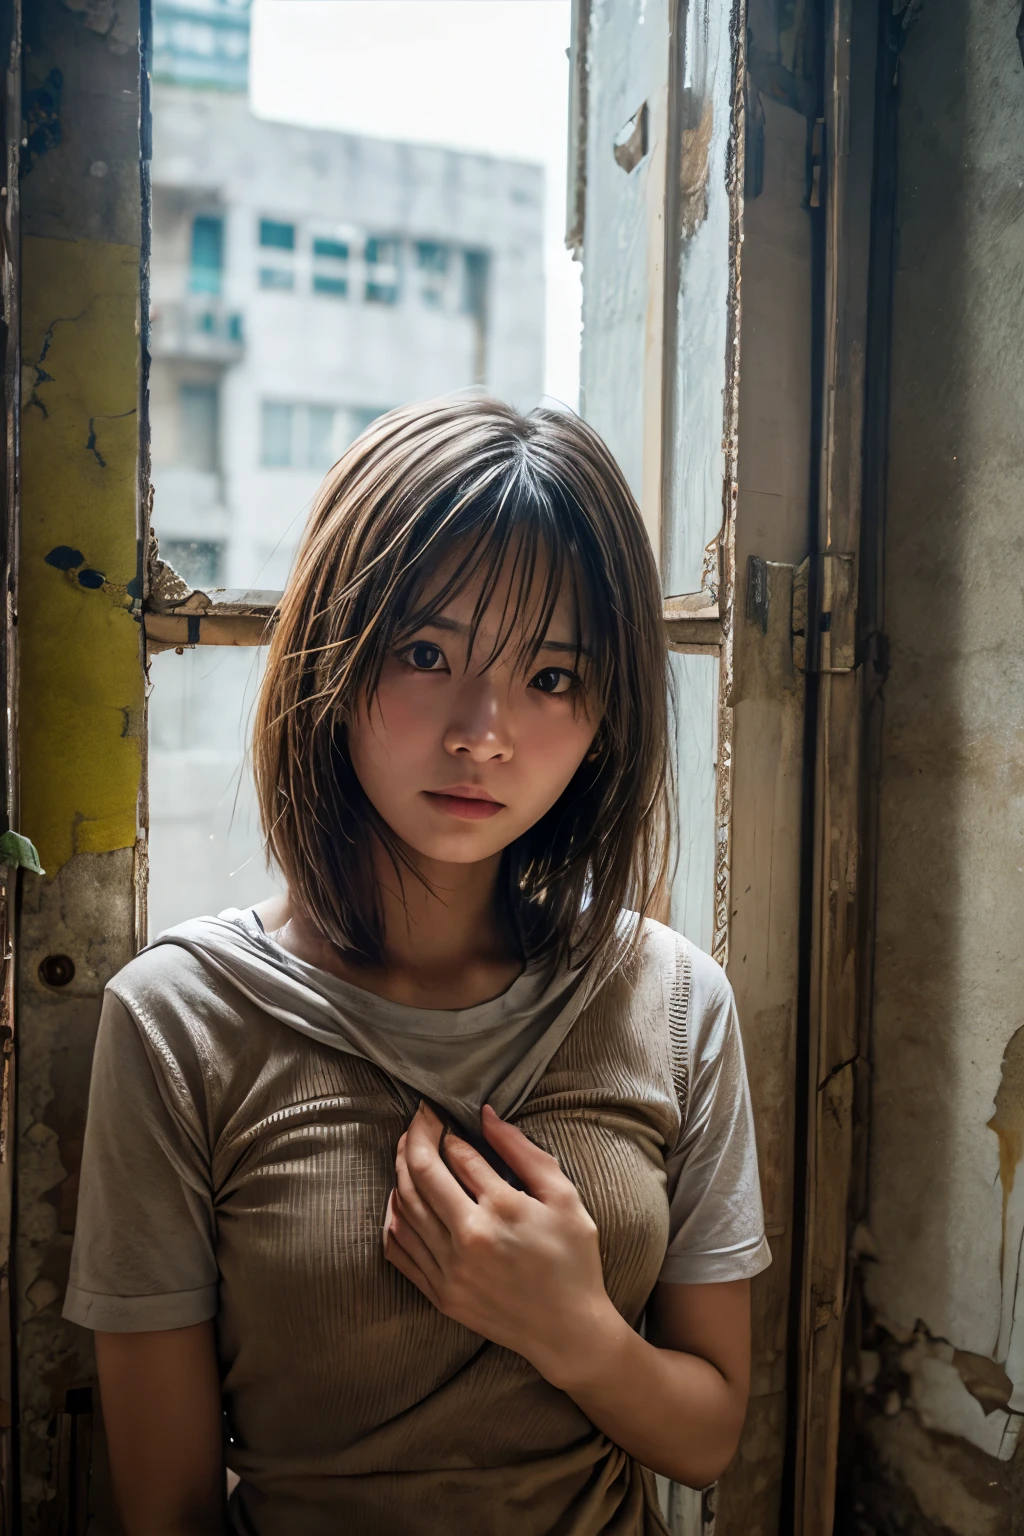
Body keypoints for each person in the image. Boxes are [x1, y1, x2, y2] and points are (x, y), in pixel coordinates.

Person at [63, 396, 770, 1535]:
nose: (482, 730)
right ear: (334, 661)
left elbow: (708, 1433)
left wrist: (572, 1329)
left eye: (549, 678)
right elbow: (168, 1508)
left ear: (606, 714)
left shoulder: (672, 999)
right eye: (427, 653)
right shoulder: (180, 1020)